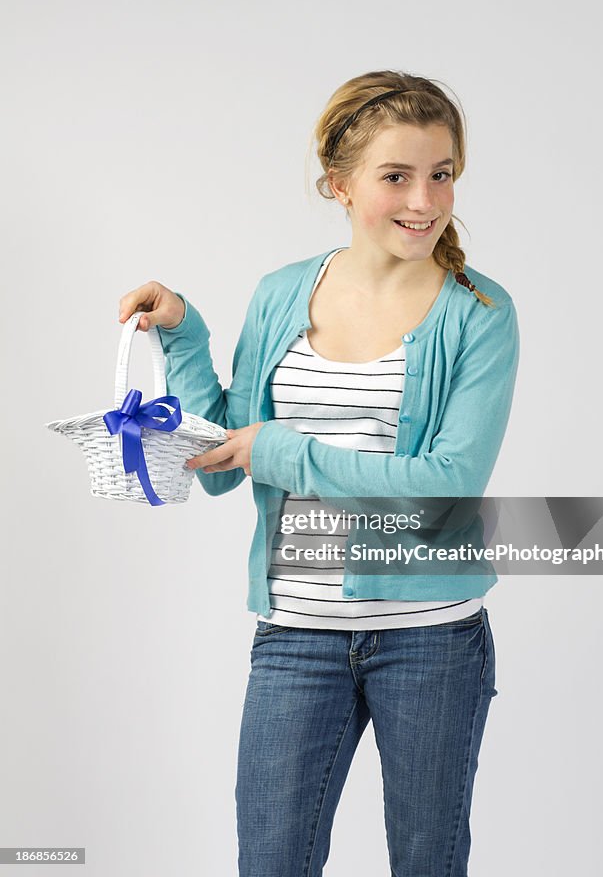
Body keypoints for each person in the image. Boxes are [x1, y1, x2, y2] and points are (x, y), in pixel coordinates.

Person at [119, 70, 521, 876]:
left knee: (427, 863)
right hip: (296, 636)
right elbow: (227, 464)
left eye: (442, 174)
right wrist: (187, 336)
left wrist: (282, 451)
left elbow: (446, 484)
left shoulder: (479, 311)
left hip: (431, 638)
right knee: (270, 862)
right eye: (396, 176)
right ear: (338, 184)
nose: (426, 199)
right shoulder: (280, 296)